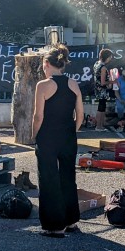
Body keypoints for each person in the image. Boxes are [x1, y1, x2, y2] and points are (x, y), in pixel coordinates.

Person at [32, 43, 84, 237]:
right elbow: (80, 114)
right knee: (68, 177)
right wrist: (73, 130)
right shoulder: (73, 84)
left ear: (46, 63)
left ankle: (55, 225)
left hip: (47, 136)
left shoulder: (43, 85)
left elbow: (38, 116)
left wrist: (34, 135)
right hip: (68, 135)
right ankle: (71, 221)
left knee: (49, 179)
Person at [93, 49, 114, 131]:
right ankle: (99, 126)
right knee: (101, 108)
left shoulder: (96, 64)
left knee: (101, 107)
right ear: (106, 57)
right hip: (102, 90)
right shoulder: (103, 68)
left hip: (97, 89)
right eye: (110, 57)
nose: (110, 59)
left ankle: (100, 126)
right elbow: (103, 82)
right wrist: (113, 81)